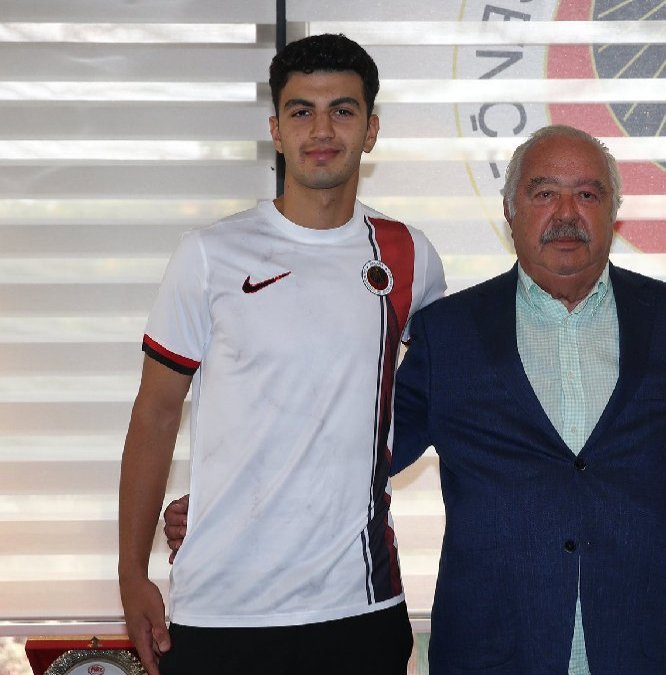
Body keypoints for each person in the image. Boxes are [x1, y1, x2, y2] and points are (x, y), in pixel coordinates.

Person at [163, 124, 666, 674]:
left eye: (587, 194)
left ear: (614, 212)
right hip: (494, 651)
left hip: (645, 645)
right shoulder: (451, 333)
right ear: (509, 211)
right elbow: (354, 456)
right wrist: (234, 504)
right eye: (543, 194)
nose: (565, 213)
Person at [117, 34, 445, 675]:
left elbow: (439, 399)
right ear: (275, 130)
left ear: (371, 130)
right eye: (302, 111)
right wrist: (132, 572)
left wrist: (349, 475)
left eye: (342, 110)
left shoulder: (408, 254)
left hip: (360, 605)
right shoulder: (209, 254)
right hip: (221, 611)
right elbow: (155, 414)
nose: (322, 130)